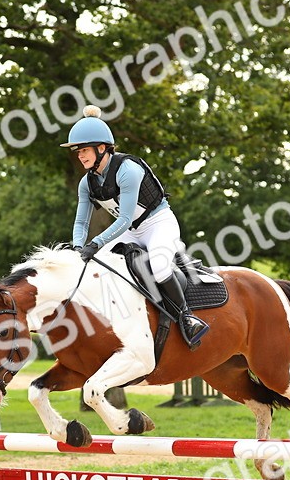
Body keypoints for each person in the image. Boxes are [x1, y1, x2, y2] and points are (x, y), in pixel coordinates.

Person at [60, 105, 209, 349]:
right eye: (78, 152)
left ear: (101, 148)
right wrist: (78, 248)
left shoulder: (128, 170)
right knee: (98, 267)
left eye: (84, 150)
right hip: (130, 231)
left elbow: (125, 219)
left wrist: (95, 243)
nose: (80, 156)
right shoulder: (87, 183)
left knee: (159, 267)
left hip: (158, 223)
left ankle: (187, 317)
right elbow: (81, 222)